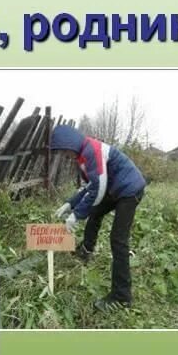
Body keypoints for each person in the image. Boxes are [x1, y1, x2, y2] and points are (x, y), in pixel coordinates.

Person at [49, 123, 147, 311]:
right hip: (114, 188)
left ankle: (121, 296)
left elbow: (99, 190)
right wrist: (70, 204)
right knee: (95, 213)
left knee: (118, 240)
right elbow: (89, 187)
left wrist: (76, 216)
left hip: (129, 189)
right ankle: (86, 250)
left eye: (63, 152)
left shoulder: (92, 150)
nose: (64, 156)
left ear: (70, 145)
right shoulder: (82, 155)